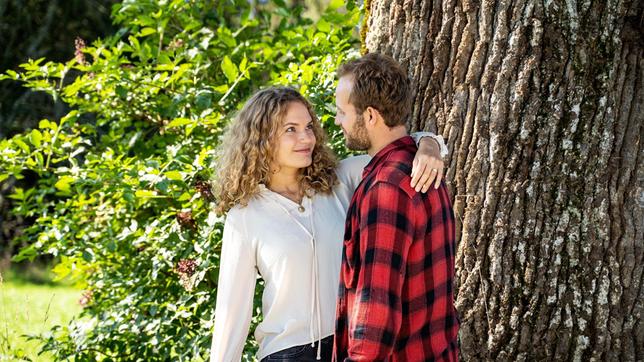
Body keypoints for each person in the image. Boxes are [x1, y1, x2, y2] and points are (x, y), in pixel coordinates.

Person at [209, 86, 448, 361]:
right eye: (291, 129)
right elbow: (232, 312)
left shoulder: (340, 181)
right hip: (287, 353)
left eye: (309, 127)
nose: (306, 137)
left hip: (349, 347)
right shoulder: (245, 216)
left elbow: (396, 153)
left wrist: (428, 143)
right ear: (262, 138)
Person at [333, 53, 459, 361]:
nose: (338, 121)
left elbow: (376, 311)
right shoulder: (422, 169)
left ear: (371, 116)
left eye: (342, 113)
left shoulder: (385, 189)